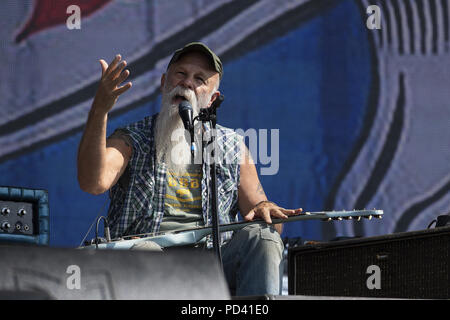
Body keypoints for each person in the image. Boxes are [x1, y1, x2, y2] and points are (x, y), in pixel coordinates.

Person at [77, 42, 303, 296]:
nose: (187, 83)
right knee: (146, 253)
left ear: (212, 99)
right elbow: (93, 182)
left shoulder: (231, 146)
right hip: (146, 255)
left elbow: (263, 219)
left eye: (199, 79)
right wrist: (100, 110)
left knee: (264, 237)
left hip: (213, 263)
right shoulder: (134, 138)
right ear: (164, 83)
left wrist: (264, 208)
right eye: (181, 74)